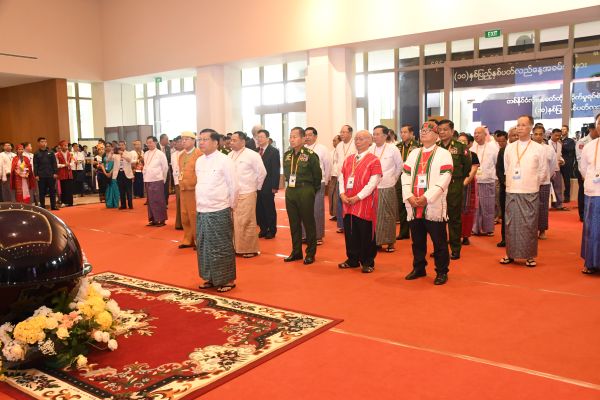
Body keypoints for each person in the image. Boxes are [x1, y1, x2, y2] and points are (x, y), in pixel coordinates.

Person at [402, 122, 454, 285]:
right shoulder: (414, 153)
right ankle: (419, 268)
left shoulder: (444, 154)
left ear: (437, 135)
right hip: (414, 205)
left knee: (439, 242)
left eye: (428, 131)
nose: (423, 133)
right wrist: (409, 196)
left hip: (433, 205)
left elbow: (445, 177)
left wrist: (427, 197)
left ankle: (441, 271)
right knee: (417, 241)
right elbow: (405, 175)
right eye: (422, 130)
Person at [500, 115, 548, 267]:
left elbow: (543, 171)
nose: (519, 128)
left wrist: (533, 184)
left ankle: (529, 256)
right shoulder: (510, 147)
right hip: (512, 190)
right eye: (518, 125)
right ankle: (510, 254)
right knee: (511, 224)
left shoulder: (539, 148)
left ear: (530, 127)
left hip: (530, 190)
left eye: (523, 125)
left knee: (529, 224)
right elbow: (507, 168)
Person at [195, 129, 239, 292]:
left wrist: (230, 206)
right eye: (200, 139)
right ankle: (210, 278)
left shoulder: (225, 160)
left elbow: (234, 186)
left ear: (215, 142)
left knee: (221, 246)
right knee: (204, 245)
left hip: (219, 209)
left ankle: (227, 280)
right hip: (202, 209)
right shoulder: (199, 161)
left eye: (205, 139)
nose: (201, 142)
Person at [338, 130, 382, 273]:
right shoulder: (349, 159)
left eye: (361, 139)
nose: (357, 141)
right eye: (356, 139)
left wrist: (358, 197)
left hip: (364, 203)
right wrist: (342, 194)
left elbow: (373, 183)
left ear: (370, 142)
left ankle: (368, 262)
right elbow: (341, 178)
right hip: (347, 202)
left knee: (365, 232)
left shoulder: (374, 160)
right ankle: (352, 259)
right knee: (350, 232)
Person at [282, 127, 322, 264]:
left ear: (303, 138)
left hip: (305, 189)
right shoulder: (287, 155)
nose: (291, 139)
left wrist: (311, 190)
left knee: (308, 222)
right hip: (291, 190)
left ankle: (310, 253)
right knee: (294, 223)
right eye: (290, 136)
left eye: (295, 137)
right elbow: (287, 174)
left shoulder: (310, 155)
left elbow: (317, 176)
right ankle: (296, 251)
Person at [437, 119, 471, 259]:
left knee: (454, 218)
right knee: (438, 219)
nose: (442, 132)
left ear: (452, 131)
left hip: (454, 185)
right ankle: (440, 248)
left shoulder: (461, 147)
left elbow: (467, 167)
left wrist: (458, 180)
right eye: (440, 130)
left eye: (445, 129)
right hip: (438, 187)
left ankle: (455, 248)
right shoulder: (435, 147)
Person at [229, 131, 266, 257]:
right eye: (231, 140)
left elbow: (262, 173)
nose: (231, 142)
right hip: (233, 193)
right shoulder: (229, 155)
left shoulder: (252, 155)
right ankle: (236, 247)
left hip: (248, 191)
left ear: (243, 141)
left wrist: (256, 188)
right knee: (235, 222)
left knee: (247, 221)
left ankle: (249, 249)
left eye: (234, 140)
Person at [370, 125, 402, 252]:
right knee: (374, 215)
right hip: (372, 187)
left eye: (378, 134)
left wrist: (393, 179)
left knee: (388, 214)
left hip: (387, 186)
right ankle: (377, 241)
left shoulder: (393, 148)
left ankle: (389, 242)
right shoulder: (371, 149)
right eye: (374, 134)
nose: (375, 136)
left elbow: (399, 166)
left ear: (385, 136)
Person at [578, 113, 600, 274]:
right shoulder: (589, 146)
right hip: (593, 193)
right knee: (592, 228)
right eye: (599, 123)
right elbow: (583, 168)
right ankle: (591, 263)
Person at [303, 127, 332, 245]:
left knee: (317, 209)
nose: (307, 137)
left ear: (315, 136)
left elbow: (328, 166)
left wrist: (326, 180)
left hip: (318, 182)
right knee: (304, 209)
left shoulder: (322, 149)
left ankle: (318, 236)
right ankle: (305, 235)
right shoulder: (302, 149)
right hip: (304, 183)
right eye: (306, 135)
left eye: (310, 135)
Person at [177, 131, 203, 249]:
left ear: (193, 141)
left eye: (186, 139)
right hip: (183, 188)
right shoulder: (181, 155)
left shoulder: (199, 154)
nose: (183, 141)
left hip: (194, 189)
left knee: (194, 215)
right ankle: (188, 239)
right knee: (185, 215)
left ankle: (198, 241)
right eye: (182, 139)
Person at [472, 126, 499, 236]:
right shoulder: (472, 148)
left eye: (479, 133)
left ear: (485, 135)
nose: (476, 135)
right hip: (474, 181)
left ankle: (488, 229)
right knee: (475, 206)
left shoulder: (493, 148)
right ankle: (475, 228)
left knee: (488, 206)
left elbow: (497, 163)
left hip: (488, 180)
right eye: (475, 133)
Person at [396, 124, 420, 240]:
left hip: (412, 178)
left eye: (405, 132)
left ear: (411, 133)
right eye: (401, 132)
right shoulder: (398, 146)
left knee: (412, 205)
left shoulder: (418, 146)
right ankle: (404, 232)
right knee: (401, 206)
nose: (403, 134)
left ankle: (416, 231)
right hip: (400, 178)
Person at [532, 125, 556, 240]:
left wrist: (546, 176)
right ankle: (531, 230)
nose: (538, 136)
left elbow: (552, 166)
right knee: (530, 207)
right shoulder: (528, 148)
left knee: (542, 207)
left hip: (544, 182)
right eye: (536, 134)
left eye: (540, 134)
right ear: (532, 135)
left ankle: (542, 230)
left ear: (544, 135)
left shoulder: (549, 149)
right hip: (529, 182)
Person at [256, 129, 280, 239]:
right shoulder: (255, 151)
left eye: (261, 137)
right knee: (259, 208)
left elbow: (276, 169)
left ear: (267, 138)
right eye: (258, 137)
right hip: (256, 185)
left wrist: (275, 186)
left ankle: (272, 230)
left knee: (269, 208)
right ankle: (263, 229)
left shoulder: (273, 151)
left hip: (268, 184)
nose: (259, 139)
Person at [332, 125, 357, 233]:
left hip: (352, 178)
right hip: (341, 177)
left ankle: (351, 224)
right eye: (341, 132)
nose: (341, 134)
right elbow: (336, 160)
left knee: (351, 200)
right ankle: (341, 225)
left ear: (350, 133)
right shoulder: (339, 145)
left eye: (344, 132)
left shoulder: (355, 144)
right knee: (340, 201)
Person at [496, 128, 517, 248]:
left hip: (521, 188)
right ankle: (505, 238)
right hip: (505, 187)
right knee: (505, 214)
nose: (516, 137)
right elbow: (499, 169)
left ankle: (519, 239)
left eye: (517, 135)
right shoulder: (503, 150)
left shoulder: (527, 150)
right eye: (513, 135)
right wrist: (504, 181)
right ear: (509, 137)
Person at [457, 133, 479, 246]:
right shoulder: (452, 154)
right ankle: (455, 235)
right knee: (454, 211)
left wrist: (463, 184)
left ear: (469, 143)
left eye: (464, 141)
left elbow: (473, 171)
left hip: (468, 185)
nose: (461, 143)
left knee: (467, 211)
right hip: (454, 183)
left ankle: (465, 236)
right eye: (459, 141)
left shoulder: (473, 155)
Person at [143, 136, 169, 227]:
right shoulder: (146, 153)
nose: (149, 144)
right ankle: (153, 219)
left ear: (155, 142)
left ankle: (161, 220)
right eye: (147, 142)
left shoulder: (160, 153)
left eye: (150, 142)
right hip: (147, 179)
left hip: (157, 179)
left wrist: (163, 178)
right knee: (150, 200)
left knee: (158, 200)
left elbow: (165, 167)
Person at [575, 125, 596, 221]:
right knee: (583, 192)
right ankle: (582, 214)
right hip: (584, 171)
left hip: (595, 172)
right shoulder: (582, 142)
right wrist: (584, 174)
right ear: (591, 129)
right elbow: (579, 159)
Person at [33, 137, 58, 210]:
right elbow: (35, 165)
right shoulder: (36, 153)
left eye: (45, 141)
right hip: (41, 175)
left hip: (51, 174)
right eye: (42, 141)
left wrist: (55, 172)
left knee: (52, 191)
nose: (44, 143)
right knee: (42, 192)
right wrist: (36, 175)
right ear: (38, 143)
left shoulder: (51, 152)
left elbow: (54, 163)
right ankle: (42, 206)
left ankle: (53, 206)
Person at [113, 140, 136, 210]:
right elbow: (109, 159)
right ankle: (123, 205)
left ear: (125, 146)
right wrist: (111, 152)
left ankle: (130, 205)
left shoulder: (128, 153)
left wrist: (122, 154)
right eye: (119, 145)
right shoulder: (116, 154)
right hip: (119, 173)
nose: (121, 146)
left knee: (129, 190)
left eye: (122, 145)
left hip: (127, 174)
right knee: (121, 190)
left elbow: (129, 160)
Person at [548, 129, 568, 211]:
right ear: (551, 134)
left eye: (559, 136)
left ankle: (559, 204)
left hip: (557, 169)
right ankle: (547, 204)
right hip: (548, 169)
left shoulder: (559, 144)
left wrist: (562, 161)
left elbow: (560, 155)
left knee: (558, 187)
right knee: (547, 188)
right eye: (556, 135)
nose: (557, 137)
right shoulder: (546, 144)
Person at [55, 140, 75, 207]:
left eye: (66, 146)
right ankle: (64, 202)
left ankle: (70, 202)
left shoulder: (70, 154)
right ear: (61, 146)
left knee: (70, 188)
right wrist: (64, 165)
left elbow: (73, 162)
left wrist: (69, 164)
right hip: (62, 173)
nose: (66, 147)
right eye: (64, 146)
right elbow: (56, 164)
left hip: (69, 173)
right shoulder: (57, 154)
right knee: (63, 188)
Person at [560, 124, 576, 203]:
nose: (563, 131)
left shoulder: (570, 141)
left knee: (567, 181)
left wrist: (561, 144)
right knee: (556, 181)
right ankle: (556, 198)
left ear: (567, 131)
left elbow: (570, 149)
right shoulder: (557, 139)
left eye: (564, 129)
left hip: (567, 164)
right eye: (562, 129)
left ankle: (567, 197)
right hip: (557, 163)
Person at [171, 136, 184, 229]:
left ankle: (186, 223)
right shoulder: (173, 154)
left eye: (180, 142)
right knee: (179, 202)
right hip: (177, 181)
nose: (177, 144)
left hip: (185, 181)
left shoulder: (186, 153)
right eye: (176, 142)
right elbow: (173, 168)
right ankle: (179, 223)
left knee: (185, 203)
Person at [328, 134, 342, 221]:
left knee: (337, 197)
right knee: (331, 195)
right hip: (332, 176)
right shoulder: (331, 152)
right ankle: (334, 214)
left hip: (339, 176)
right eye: (333, 141)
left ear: (340, 141)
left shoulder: (342, 151)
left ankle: (338, 214)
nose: (333, 142)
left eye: (335, 140)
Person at [103, 144, 120, 209]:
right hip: (106, 173)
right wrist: (105, 173)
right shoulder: (104, 155)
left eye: (109, 146)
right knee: (108, 189)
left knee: (115, 188)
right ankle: (109, 203)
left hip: (114, 174)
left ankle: (115, 203)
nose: (108, 147)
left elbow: (116, 165)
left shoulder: (116, 155)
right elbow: (103, 164)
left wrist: (110, 172)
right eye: (106, 146)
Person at [159, 133, 172, 204]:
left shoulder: (168, 148)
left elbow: (169, 158)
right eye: (166, 139)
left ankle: (165, 202)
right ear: (162, 140)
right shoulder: (156, 147)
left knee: (166, 186)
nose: (168, 140)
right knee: (159, 187)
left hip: (166, 170)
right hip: (157, 171)